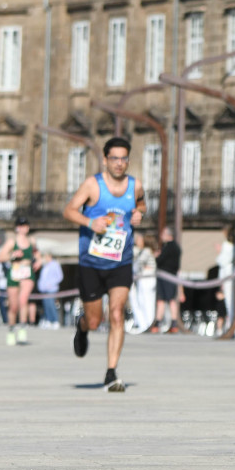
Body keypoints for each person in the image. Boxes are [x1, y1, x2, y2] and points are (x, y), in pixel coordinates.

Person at [63, 136, 146, 391]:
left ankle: (111, 372)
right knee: (96, 319)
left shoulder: (135, 186)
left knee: (118, 314)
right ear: (105, 160)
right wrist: (91, 222)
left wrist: (139, 213)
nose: (119, 163)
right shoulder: (93, 185)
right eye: (114, 158)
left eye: (123, 158)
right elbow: (69, 210)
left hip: (121, 261)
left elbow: (141, 203)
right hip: (92, 262)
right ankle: (83, 327)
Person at [0, 218, 42, 346]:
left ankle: (22, 327)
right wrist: (12, 255)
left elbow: (37, 254)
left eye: (26, 225)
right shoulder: (12, 241)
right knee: (13, 306)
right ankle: (11, 329)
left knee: (23, 299)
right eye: (21, 225)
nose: (23, 228)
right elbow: (0, 257)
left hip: (27, 272)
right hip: (15, 272)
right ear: (17, 227)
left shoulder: (32, 241)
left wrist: (39, 261)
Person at [151, 226, 182, 334]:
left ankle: (170, 323)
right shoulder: (176, 247)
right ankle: (162, 322)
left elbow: (160, 260)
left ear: (168, 235)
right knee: (164, 299)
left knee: (168, 299)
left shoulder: (169, 247)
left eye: (163, 234)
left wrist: (157, 256)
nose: (161, 236)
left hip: (166, 275)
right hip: (170, 275)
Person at [129, 231, 157, 333]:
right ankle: (144, 324)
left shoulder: (146, 251)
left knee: (146, 301)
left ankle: (147, 324)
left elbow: (137, 266)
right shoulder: (143, 251)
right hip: (143, 279)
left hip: (147, 279)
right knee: (142, 300)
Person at [215, 225, 235, 333]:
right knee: (231, 302)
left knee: (229, 303)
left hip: (227, 276)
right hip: (230, 276)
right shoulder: (234, 245)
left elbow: (222, 261)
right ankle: (230, 325)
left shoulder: (227, 245)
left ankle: (230, 326)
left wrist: (219, 252)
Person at [36, 251, 64, 329]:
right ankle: (48, 320)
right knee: (46, 305)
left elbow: (60, 277)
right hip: (44, 289)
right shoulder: (45, 266)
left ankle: (55, 320)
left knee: (51, 305)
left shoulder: (55, 264)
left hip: (51, 289)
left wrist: (51, 284)